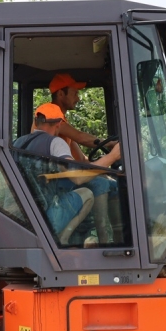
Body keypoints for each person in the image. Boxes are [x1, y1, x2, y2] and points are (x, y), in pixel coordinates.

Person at [13, 103, 120, 246]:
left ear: (36, 122)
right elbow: (77, 177)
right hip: (47, 221)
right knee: (88, 192)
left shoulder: (17, 143)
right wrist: (112, 156)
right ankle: (67, 239)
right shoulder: (55, 143)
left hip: (21, 221)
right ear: (58, 124)